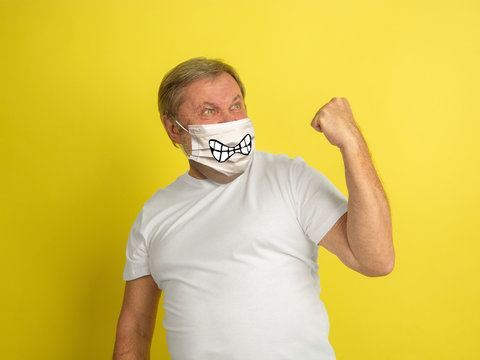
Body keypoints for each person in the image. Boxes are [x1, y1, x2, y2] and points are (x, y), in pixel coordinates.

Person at [113, 57, 394, 360]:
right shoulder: (154, 215)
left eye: (236, 106)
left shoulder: (289, 177)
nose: (229, 121)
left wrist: (352, 143)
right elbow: (136, 327)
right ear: (173, 128)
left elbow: (376, 260)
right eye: (209, 111)